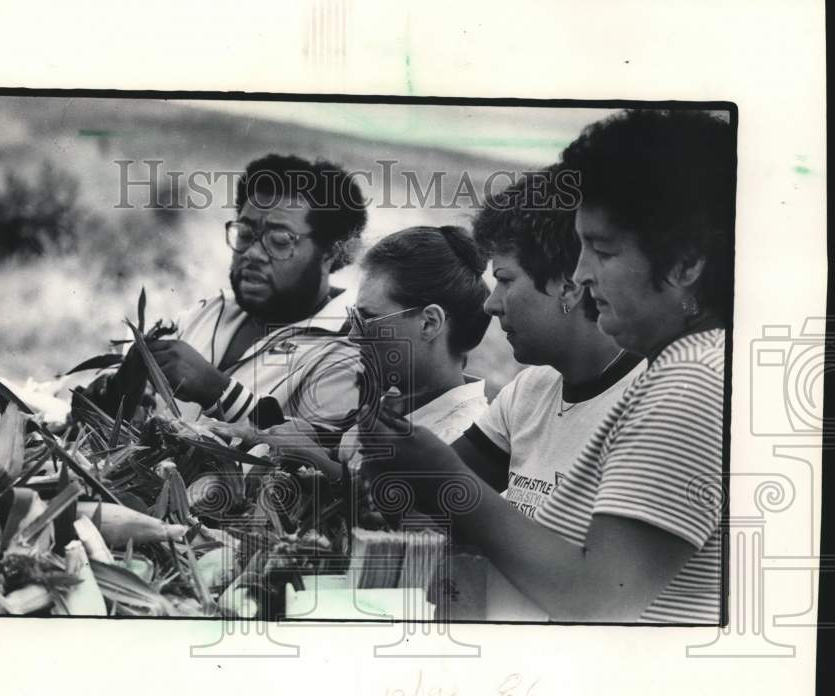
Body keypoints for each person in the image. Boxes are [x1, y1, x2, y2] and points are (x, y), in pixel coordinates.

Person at [358, 109, 734, 623]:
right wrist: (401, 459)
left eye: (602, 251)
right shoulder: (683, 369)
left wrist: (438, 470)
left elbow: (596, 598)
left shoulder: (693, 383)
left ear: (685, 265)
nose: (581, 273)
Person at [82, 153, 368, 443]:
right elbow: (103, 421)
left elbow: (320, 460)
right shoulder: (211, 311)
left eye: (280, 241)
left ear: (331, 252)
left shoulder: (347, 348)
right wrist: (124, 385)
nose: (253, 254)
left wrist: (219, 392)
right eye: (245, 234)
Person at [215, 225, 492, 482]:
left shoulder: (469, 437)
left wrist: (313, 457)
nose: (353, 336)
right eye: (353, 318)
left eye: (368, 319)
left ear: (429, 323)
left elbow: (405, 519)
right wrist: (309, 438)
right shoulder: (396, 403)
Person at [454, 168, 645, 511]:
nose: (490, 304)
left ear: (568, 288)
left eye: (505, 279)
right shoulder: (530, 389)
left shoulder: (650, 407)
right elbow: (439, 494)